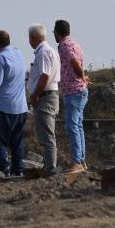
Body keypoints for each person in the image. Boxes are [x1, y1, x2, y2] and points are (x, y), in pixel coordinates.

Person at [0, 30, 28, 175]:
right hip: (20, 107)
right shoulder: (17, 53)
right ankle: (18, 169)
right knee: (17, 141)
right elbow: (6, 58)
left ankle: (2, 169)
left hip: (3, 107)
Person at [54, 19, 90, 174]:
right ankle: (81, 160)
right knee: (78, 125)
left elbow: (74, 61)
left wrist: (81, 76)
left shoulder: (64, 46)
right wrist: (82, 76)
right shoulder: (75, 43)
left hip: (73, 91)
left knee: (72, 125)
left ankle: (77, 161)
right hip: (78, 90)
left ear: (57, 32)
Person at [26, 23, 61, 173]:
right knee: (46, 134)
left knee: (47, 135)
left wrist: (35, 95)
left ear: (32, 38)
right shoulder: (50, 51)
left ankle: (50, 168)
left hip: (45, 97)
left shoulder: (43, 52)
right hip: (48, 96)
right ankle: (49, 165)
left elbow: (45, 76)